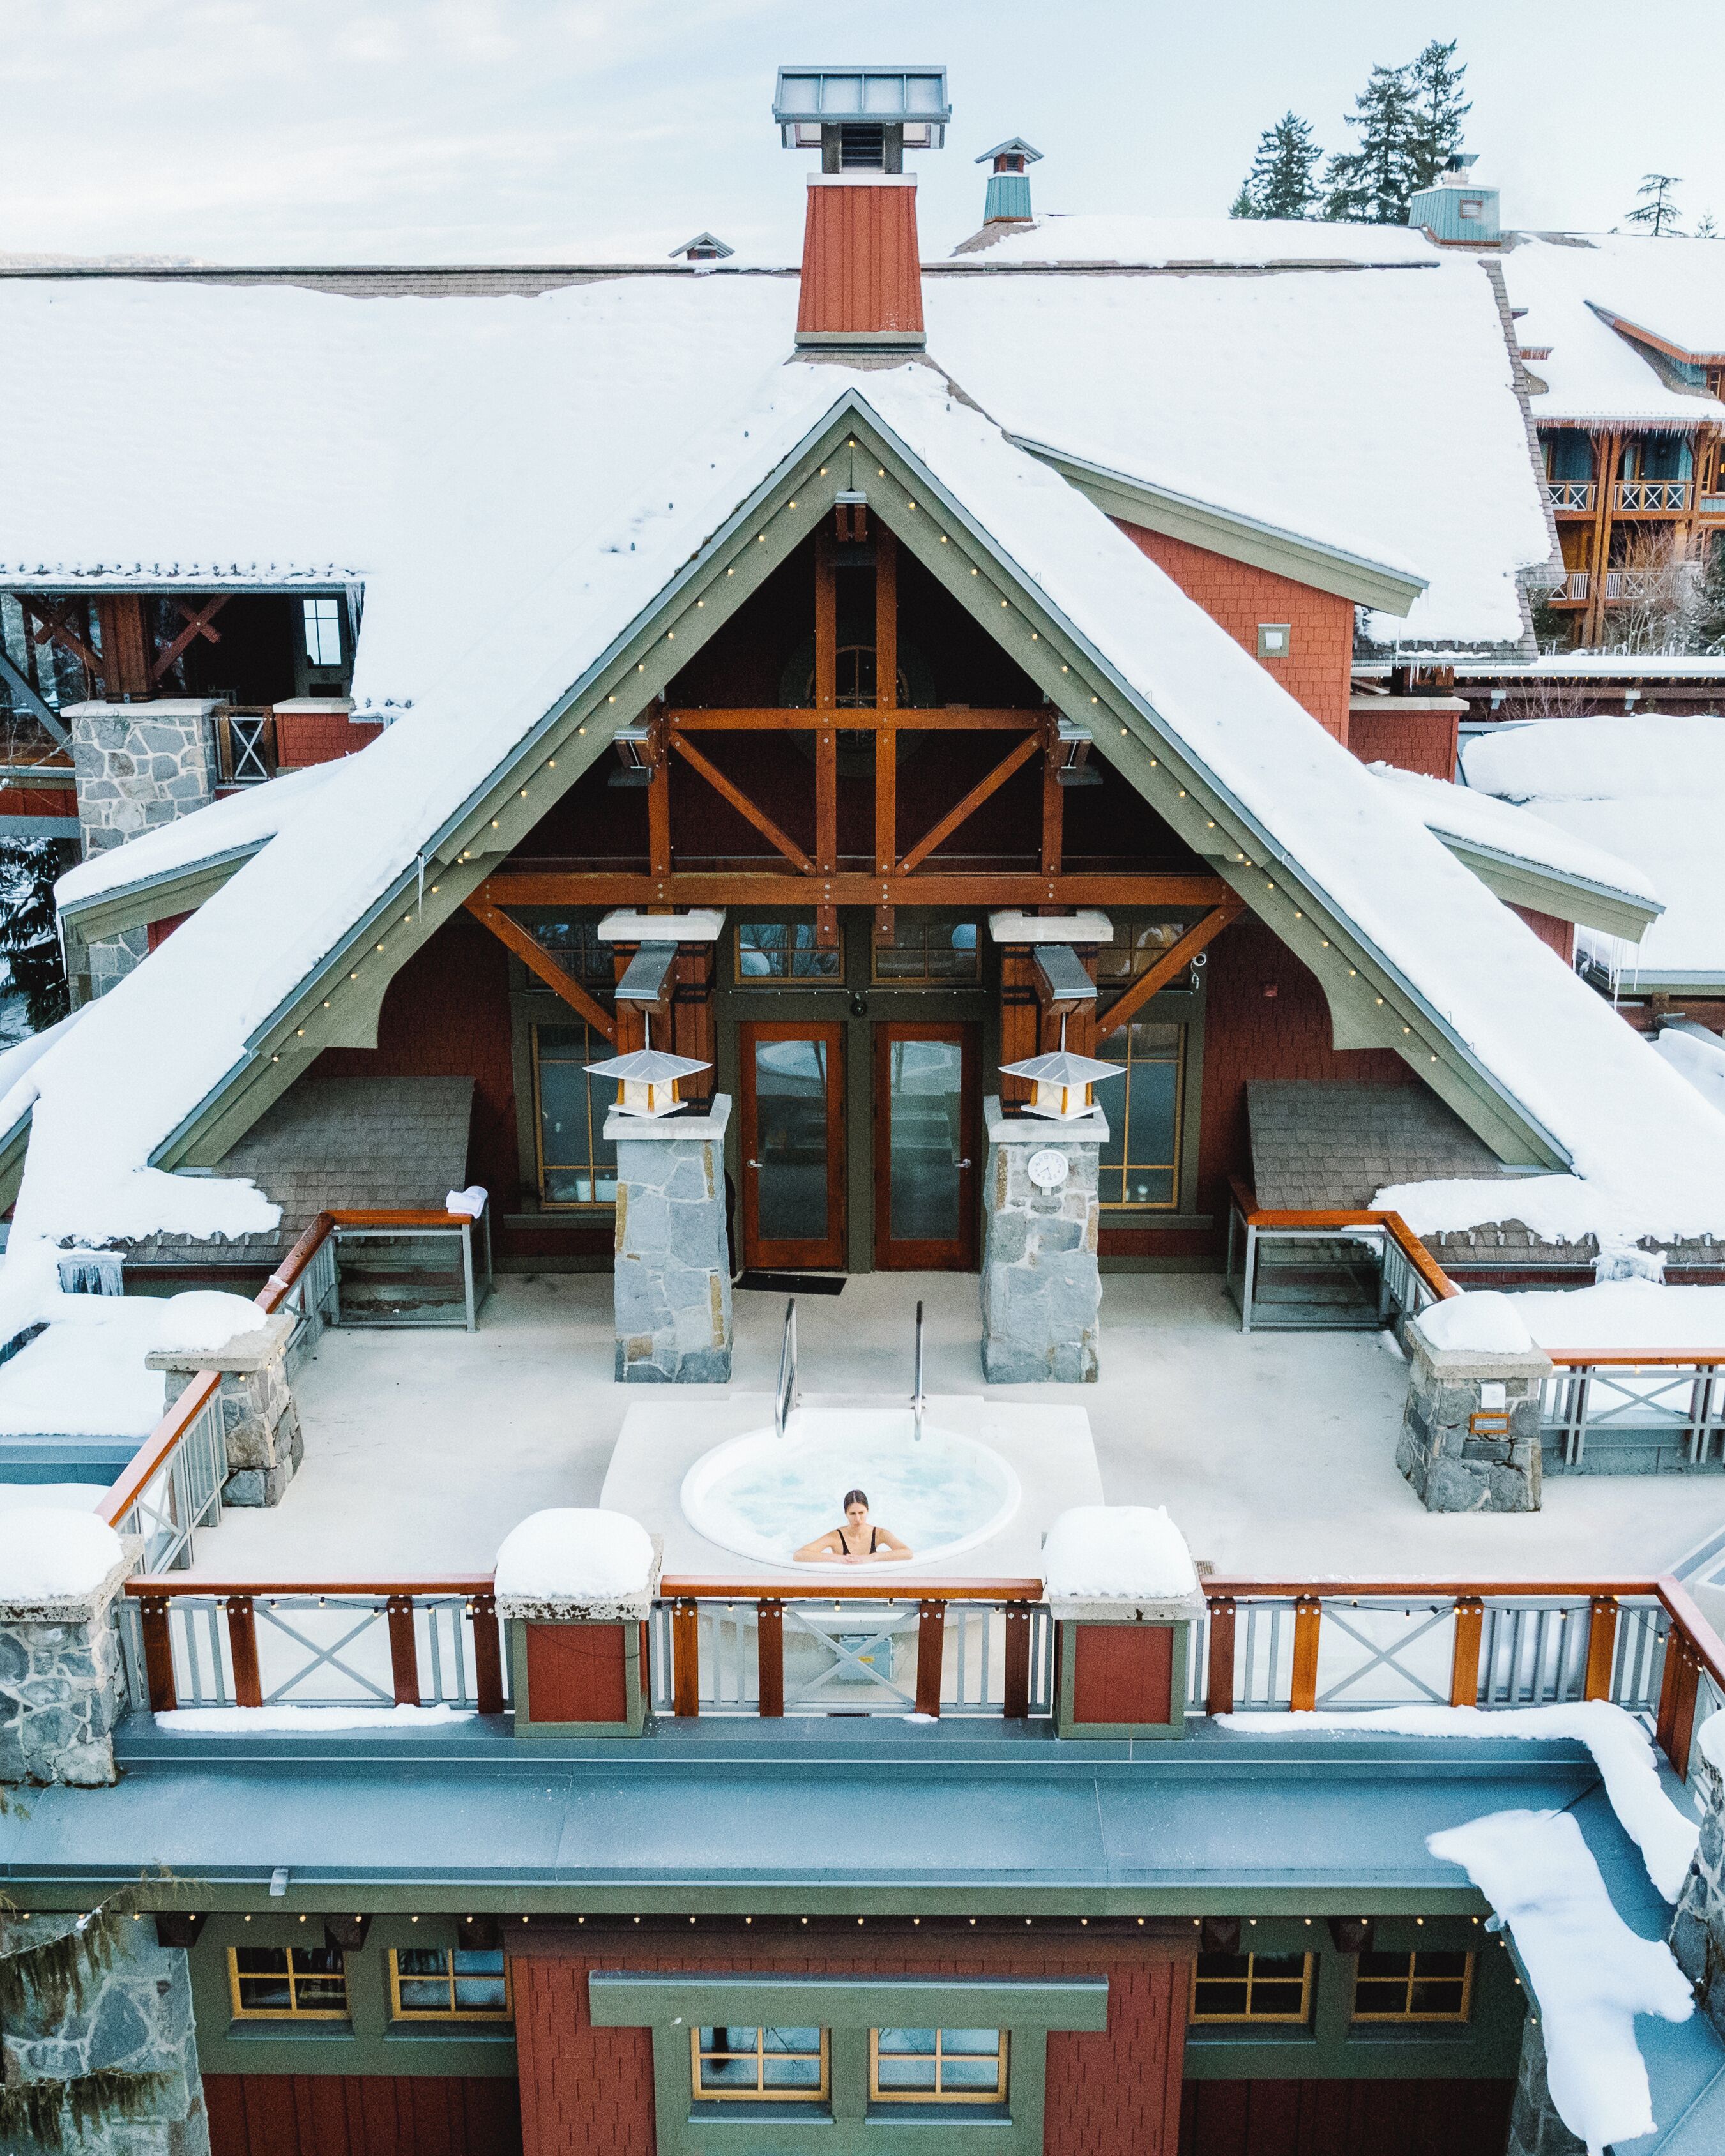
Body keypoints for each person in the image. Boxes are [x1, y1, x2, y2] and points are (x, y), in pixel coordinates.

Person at [794, 1488, 912, 1564]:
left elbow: (907, 1553)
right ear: (846, 1514)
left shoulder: (879, 1534)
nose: (858, 1519)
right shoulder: (836, 1537)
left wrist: (873, 1557)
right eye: (852, 1514)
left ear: (868, 1511)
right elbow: (800, 1555)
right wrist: (835, 1558)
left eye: (861, 1513)